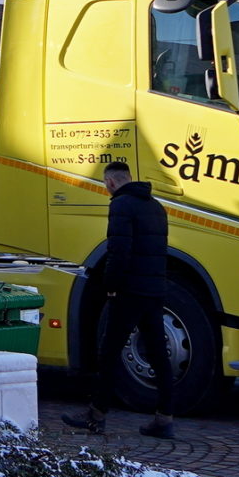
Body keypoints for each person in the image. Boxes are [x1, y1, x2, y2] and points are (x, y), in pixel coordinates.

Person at [63, 160, 176, 439]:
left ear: (111, 182)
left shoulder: (121, 205)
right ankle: (165, 418)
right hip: (154, 289)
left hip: (129, 291)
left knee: (109, 352)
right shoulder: (155, 206)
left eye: (106, 184)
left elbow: (118, 250)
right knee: (158, 354)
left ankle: (96, 415)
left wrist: (111, 286)